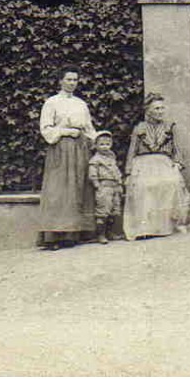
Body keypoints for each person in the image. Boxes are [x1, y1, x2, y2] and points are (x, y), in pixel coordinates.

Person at [36, 69, 97, 249]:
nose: (72, 83)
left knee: (78, 188)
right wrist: (65, 132)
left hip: (80, 149)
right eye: (68, 79)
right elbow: (46, 129)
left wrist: (97, 141)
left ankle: (73, 234)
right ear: (60, 81)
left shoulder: (81, 104)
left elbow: (89, 128)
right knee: (59, 190)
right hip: (60, 149)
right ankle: (54, 236)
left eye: (75, 80)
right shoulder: (51, 102)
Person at [123, 93, 190, 240]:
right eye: (156, 108)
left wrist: (178, 163)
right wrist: (129, 172)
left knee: (172, 182)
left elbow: (177, 148)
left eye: (162, 108)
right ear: (148, 110)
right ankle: (145, 228)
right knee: (143, 185)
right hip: (143, 163)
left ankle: (173, 224)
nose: (160, 111)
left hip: (164, 162)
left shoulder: (170, 127)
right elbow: (132, 150)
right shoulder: (139, 128)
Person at [88, 132, 125, 244]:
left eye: (108, 144)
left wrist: (119, 182)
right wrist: (96, 184)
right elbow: (92, 173)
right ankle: (101, 234)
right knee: (103, 210)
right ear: (96, 145)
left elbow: (116, 171)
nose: (105, 147)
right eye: (102, 144)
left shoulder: (111, 158)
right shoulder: (95, 159)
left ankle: (110, 233)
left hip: (114, 186)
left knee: (115, 210)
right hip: (104, 186)